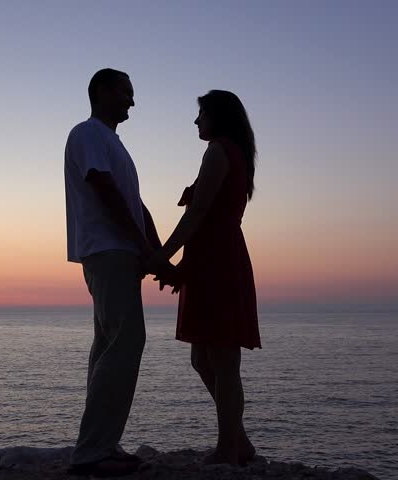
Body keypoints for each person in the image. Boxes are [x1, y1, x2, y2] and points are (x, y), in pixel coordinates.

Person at [63, 68, 166, 477]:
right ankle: (91, 452)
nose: (132, 101)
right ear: (102, 91)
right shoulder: (87, 134)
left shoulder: (112, 143)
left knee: (108, 343)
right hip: (108, 250)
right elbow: (103, 189)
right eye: (126, 92)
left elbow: (136, 205)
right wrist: (143, 248)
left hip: (119, 250)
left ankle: (101, 444)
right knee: (126, 340)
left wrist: (155, 252)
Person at [152, 90, 261, 466]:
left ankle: (228, 449)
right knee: (204, 358)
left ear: (218, 117)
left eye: (201, 114)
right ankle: (239, 441)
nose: (196, 122)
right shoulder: (234, 152)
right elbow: (206, 220)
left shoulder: (219, 150)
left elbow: (196, 216)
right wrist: (183, 266)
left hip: (218, 260)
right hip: (211, 258)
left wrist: (160, 256)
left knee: (224, 361)